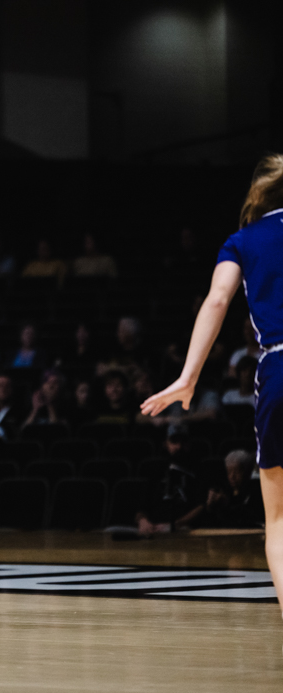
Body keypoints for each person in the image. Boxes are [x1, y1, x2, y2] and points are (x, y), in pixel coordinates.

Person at [141, 153, 283, 609]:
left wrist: (188, 377)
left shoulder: (243, 239)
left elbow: (217, 300)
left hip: (278, 368)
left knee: (279, 521)